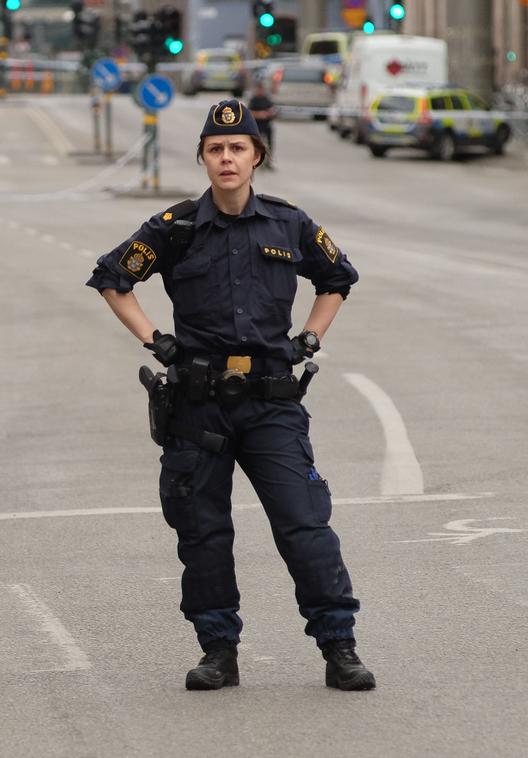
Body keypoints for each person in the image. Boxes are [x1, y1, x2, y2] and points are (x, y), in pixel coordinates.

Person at [85, 99, 375, 692]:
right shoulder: (176, 227)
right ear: (202, 158)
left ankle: (339, 646)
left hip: (272, 401)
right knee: (203, 532)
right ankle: (218, 649)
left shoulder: (289, 224)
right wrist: (156, 341)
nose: (226, 159)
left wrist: (310, 339)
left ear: (256, 156)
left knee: (304, 524)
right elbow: (112, 278)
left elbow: (337, 279)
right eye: (215, 150)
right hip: (198, 405)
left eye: (237, 148)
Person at [248, 79, 278, 168]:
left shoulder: (266, 99)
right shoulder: (254, 100)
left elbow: (273, 110)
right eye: (259, 89)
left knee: (270, 142)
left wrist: (269, 113)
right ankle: (255, 161)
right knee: (256, 144)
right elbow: (249, 112)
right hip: (256, 125)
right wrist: (260, 114)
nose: (260, 91)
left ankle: (269, 161)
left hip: (266, 124)